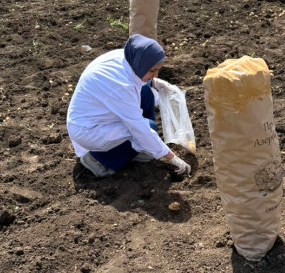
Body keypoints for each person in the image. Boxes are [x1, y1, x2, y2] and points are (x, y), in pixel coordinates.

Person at [66, 34, 191, 177]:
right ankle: (97, 159)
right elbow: (140, 129)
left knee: (146, 93)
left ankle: (137, 148)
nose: (155, 75)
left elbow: (137, 79)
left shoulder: (129, 57)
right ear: (141, 64)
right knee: (148, 128)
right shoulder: (120, 87)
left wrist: (154, 83)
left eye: (157, 70)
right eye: (152, 71)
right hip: (88, 129)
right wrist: (171, 157)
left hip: (100, 113)